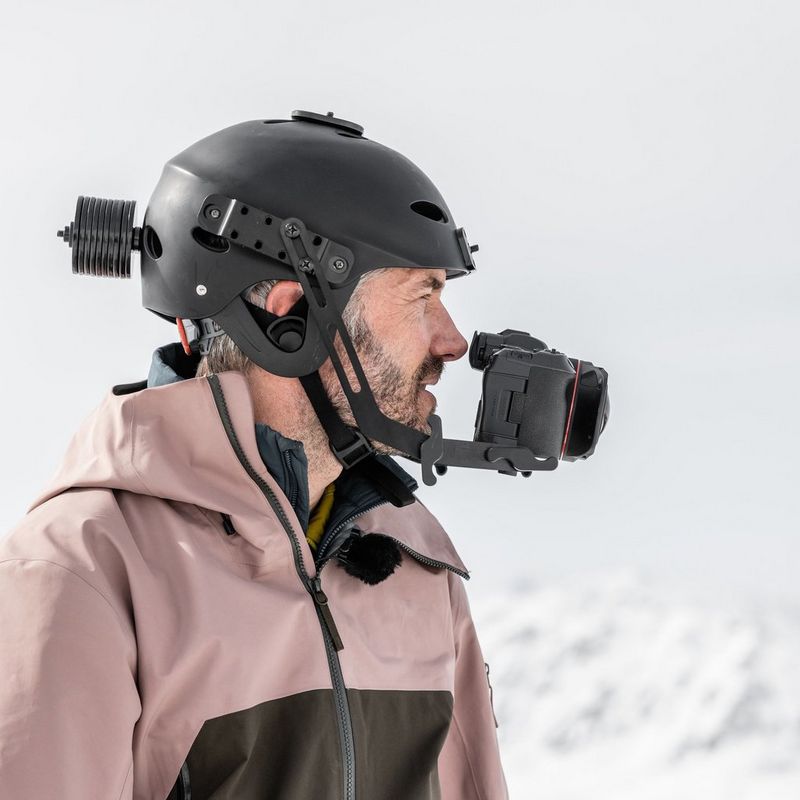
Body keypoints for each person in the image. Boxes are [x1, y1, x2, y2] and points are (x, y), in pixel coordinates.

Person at [0, 111, 508, 799]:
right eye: (423, 295)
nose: (452, 341)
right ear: (290, 314)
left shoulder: (415, 558)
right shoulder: (83, 570)